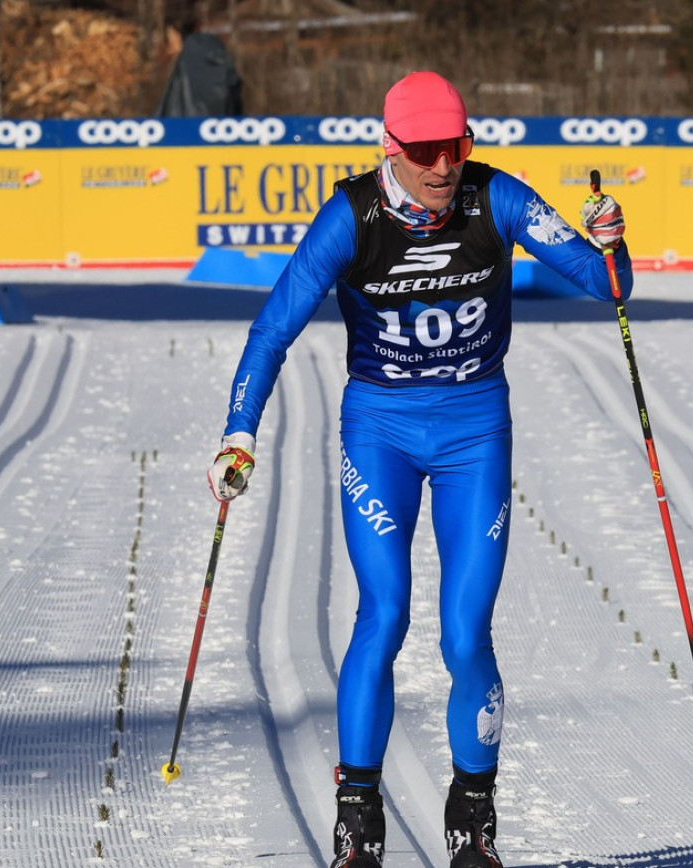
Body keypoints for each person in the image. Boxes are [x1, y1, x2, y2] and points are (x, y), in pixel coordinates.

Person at [207, 71, 631, 868]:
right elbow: (271, 331)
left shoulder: (495, 198)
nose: (444, 167)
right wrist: (239, 434)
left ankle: (473, 822)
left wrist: (611, 236)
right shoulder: (352, 216)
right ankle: (358, 824)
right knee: (384, 614)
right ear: (391, 150)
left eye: (458, 147)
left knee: (467, 634)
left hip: (475, 431)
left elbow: (612, 285)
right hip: (383, 432)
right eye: (427, 152)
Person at [157, 11, 243, 117]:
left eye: (169, 40)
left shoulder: (188, 63)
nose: (168, 48)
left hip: (190, 127)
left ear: (177, 35)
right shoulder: (215, 53)